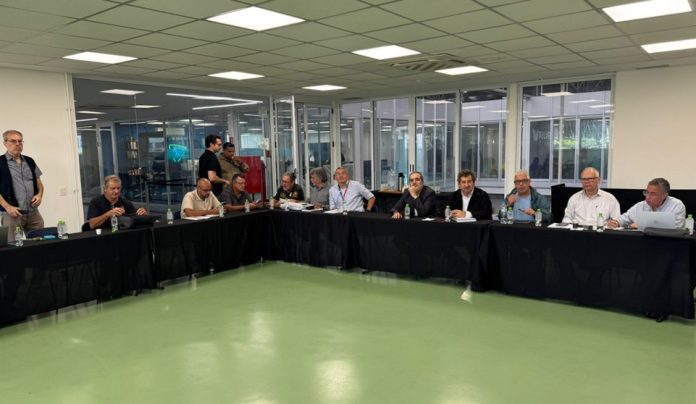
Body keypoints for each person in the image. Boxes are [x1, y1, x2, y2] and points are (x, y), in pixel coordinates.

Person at [0, 129, 45, 240]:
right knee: (14, 246)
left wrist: (39, 195)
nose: (18, 144)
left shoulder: (30, 161)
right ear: (5, 143)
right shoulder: (0, 163)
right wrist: (8, 207)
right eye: (13, 141)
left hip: (33, 213)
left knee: (40, 244)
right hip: (12, 214)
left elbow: (39, 183)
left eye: (20, 141)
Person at [608, 178, 686, 229]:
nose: (648, 197)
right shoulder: (641, 205)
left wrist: (643, 226)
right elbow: (624, 218)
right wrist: (616, 222)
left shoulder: (676, 205)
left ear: (664, 195)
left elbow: (677, 228)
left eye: (653, 194)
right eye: (647, 192)